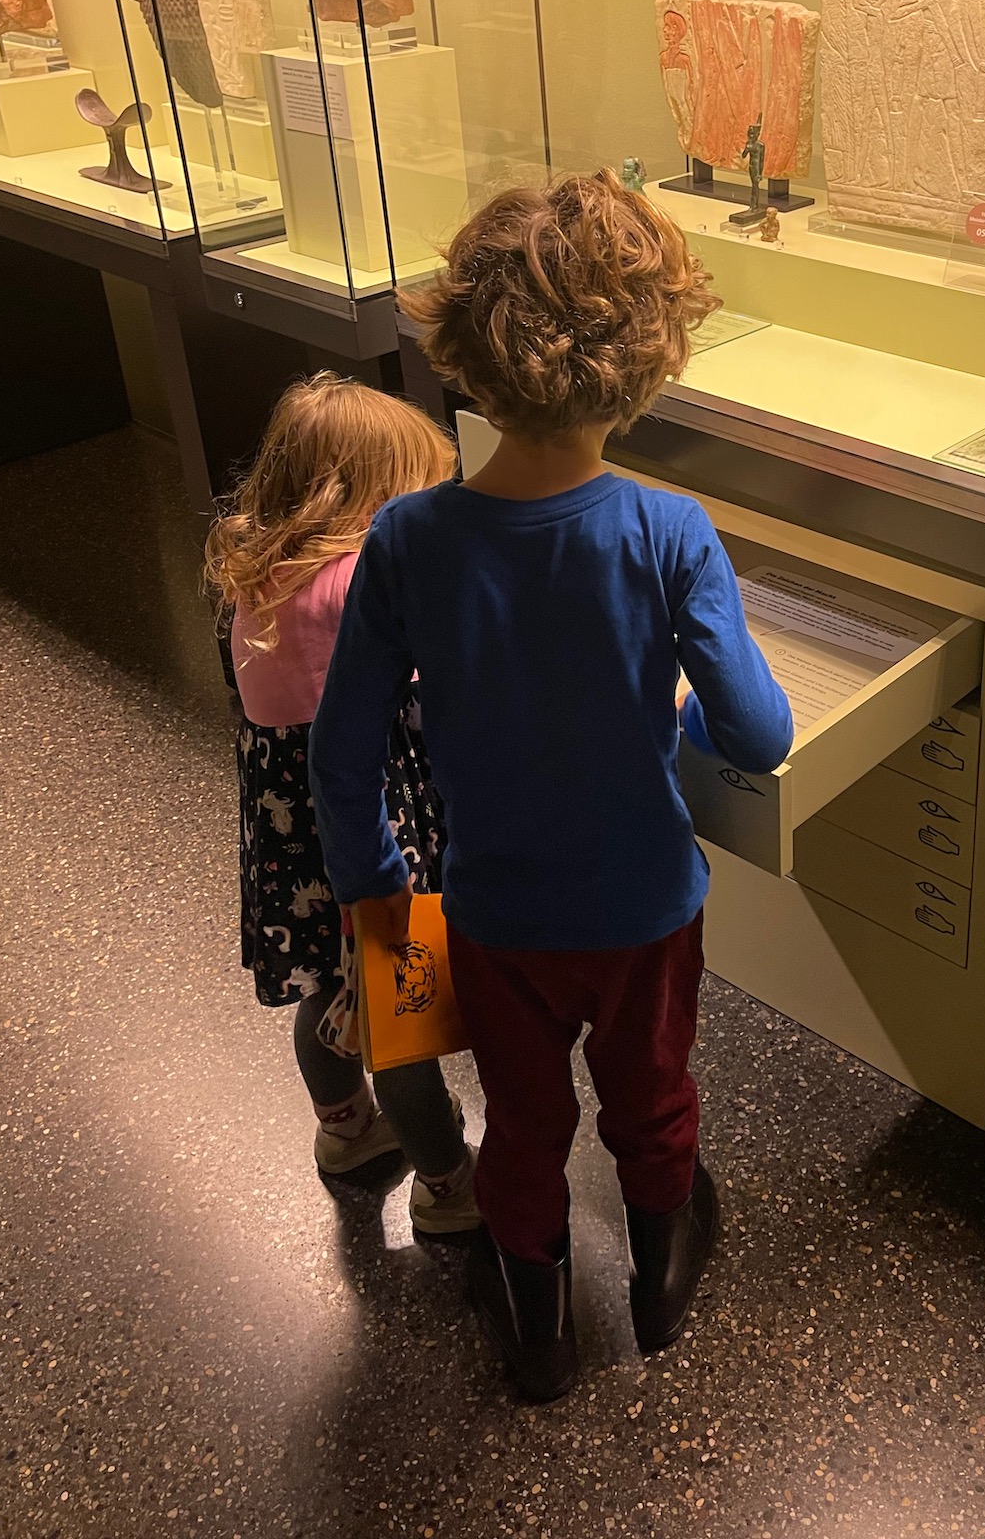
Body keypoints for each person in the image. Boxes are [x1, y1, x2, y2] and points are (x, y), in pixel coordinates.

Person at [309, 171, 794, 1402]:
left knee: (524, 1122)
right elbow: (757, 724)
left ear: (465, 351)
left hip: (494, 916)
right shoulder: (671, 528)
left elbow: (343, 748)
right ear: (648, 357)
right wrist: (676, 719)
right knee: (651, 1088)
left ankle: (538, 1321)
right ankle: (660, 1270)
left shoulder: (411, 540)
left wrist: (376, 890)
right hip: (643, 908)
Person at [205, 373, 479, 1238]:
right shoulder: (365, 581)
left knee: (324, 992)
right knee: (400, 1019)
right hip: (372, 836)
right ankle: (448, 1184)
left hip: (292, 840)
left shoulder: (251, 574)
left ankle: (347, 1134)